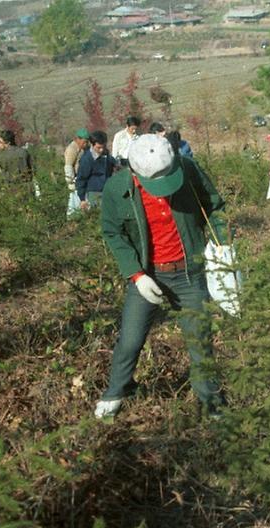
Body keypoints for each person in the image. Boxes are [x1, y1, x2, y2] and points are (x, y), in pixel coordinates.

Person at [95, 134, 227, 418]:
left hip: (190, 272)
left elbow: (215, 206)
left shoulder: (188, 169)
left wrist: (222, 243)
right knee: (130, 339)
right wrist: (136, 275)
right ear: (136, 172)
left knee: (199, 340)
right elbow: (112, 232)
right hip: (149, 274)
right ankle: (117, 391)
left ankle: (210, 401)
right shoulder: (116, 189)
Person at [76, 131, 116, 210]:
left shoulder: (106, 154)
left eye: (103, 147)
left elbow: (112, 164)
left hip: (107, 190)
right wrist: (82, 199)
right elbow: (81, 179)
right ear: (92, 144)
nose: (101, 150)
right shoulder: (86, 159)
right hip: (94, 192)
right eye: (98, 148)